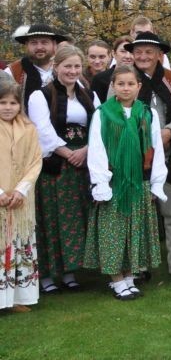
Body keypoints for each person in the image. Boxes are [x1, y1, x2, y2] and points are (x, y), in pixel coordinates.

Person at [84, 65, 169, 301]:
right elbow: (97, 149)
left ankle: (130, 275)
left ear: (139, 86)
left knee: (135, 230)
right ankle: (117, 279)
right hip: (115, 181)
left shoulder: (147, 113)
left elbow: (156, 148)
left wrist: (156, 182)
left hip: (139, 180)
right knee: (114, 231)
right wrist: (101, 183)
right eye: (120, 84)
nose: (126, 88)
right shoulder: (103, 113)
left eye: (131, 84)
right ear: (113, 86)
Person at [27, 45, 99, 293]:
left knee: (75, 217)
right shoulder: (40, 96)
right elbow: (42, 130)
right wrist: (68, 153)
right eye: (67, 66)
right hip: (55, 165)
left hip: (83, 162)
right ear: (56, 66)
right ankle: (46, 275)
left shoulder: (88, 94)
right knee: (52, 218)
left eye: (77, 66)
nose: (72, 71)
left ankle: (70, 272)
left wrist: (85, 150)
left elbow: (98, 125)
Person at [126, 32, 171, 277]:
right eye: (139, 51)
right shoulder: (124, 78)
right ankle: (138, 265)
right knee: (138, 215)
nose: (143, 56)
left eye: (149, 52)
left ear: (158, 54)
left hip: (167, 156)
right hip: (133, 158)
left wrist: (169, 131)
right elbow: (112, 113)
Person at [0, 82, 42, 312]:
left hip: (20, 199)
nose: (8, 107)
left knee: (18, 246)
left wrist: (21, 189)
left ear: (20, 105)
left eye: (13, 103)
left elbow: (35, 161)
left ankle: (15, 298)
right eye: (2, 102)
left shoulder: (28, 128)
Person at [6, 24, 71, 108]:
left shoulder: (68, 68)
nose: (39, 47)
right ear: (26, 45)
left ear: (54, 44)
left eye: (44, 42)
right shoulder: (12, 72)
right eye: (34, 43)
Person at [93, 35, 134, 102]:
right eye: (123, 51)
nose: (128, 56)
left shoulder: (141, 78)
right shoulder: (100, 79)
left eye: (131, 52)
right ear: (114, 53)